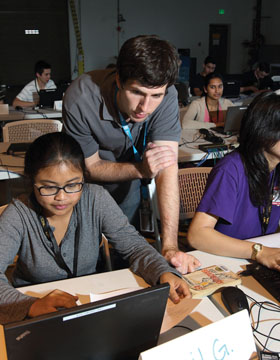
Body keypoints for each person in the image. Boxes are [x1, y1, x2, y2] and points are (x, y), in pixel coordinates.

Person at [0, 132, 190, 324]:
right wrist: (31, 305)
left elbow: (133, 246)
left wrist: (162, 271)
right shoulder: (18, 214)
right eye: (49, 187)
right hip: (35, 312)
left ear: (84, 177)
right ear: (31, 181)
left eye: (73, 185)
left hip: (86, 304)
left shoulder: (96, 199)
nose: (62, 197)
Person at [63, 35, 200, 274]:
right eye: (137, 93)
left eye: (155, 96)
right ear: (118, 80)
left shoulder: (167, 96)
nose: (144, 108)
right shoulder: (81, 98)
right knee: (83, 259)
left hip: (128, 181)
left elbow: (167, 167)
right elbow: (91, 167)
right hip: (85, 183)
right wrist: (141, 170)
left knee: (124, 253)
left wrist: (169, 246)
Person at [188, 93, 280, 276]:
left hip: (263, 259)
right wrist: (259, 251)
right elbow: (197, 235)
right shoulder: (230, 169)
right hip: (228, 261)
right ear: (265, 131)